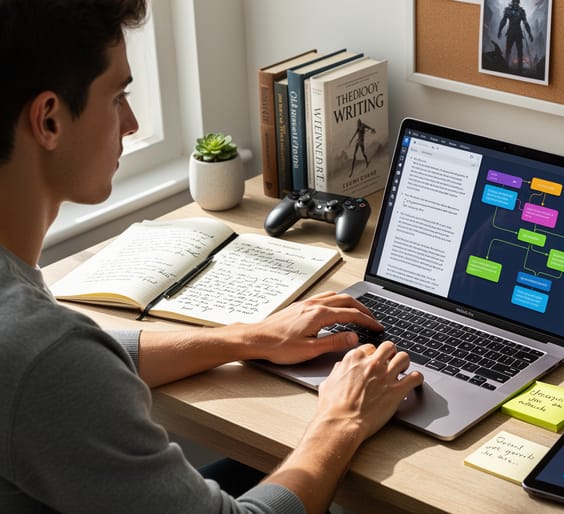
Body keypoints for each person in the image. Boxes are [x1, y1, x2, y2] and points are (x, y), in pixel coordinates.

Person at [0, 1, 423, 513]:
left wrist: (249, 338)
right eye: (118, 97)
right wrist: (341, 420)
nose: (131, 123)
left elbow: (83, 360)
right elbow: (61, 367)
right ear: (48, 120)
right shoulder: (45, 355)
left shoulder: (29, 326)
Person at [497, 0, 534, 73]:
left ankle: (520, 69)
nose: (515, 3)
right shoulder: (508, 10)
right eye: (514, 2)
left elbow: (526, 23)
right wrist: (499, 30)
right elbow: (504, 21)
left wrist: (529, 33)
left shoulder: (521, 11)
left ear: (518, 2)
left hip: (518, 33)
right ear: (512, 2)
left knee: (520, 51)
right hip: (510, 32)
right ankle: (505, 66)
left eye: (517, 2)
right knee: (508, 50)